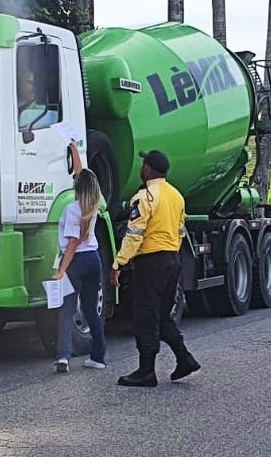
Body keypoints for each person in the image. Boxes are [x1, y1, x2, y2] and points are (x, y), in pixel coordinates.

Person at [109, 150, 200, 387]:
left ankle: (146, 371)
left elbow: (134, 235)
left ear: (148, 170)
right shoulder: (176, 196)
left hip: (151, 263)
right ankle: (184, 358)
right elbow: (180, 232)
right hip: (172, 260)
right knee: (161, 315)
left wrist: (119, 263)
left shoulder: (145, 197)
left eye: (143, 164)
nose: (141, 168)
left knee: (145, 316)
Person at [51, 142, 107, 373]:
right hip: (94, 259)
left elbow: (72, 244)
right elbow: (81, 174)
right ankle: (98, 357)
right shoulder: (95, 204)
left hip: (75, 262)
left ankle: (63, 356)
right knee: (91, 310)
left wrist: (61, 270)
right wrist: (74, 149)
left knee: (66, 310)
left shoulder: (71, 210)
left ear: (77, 187)